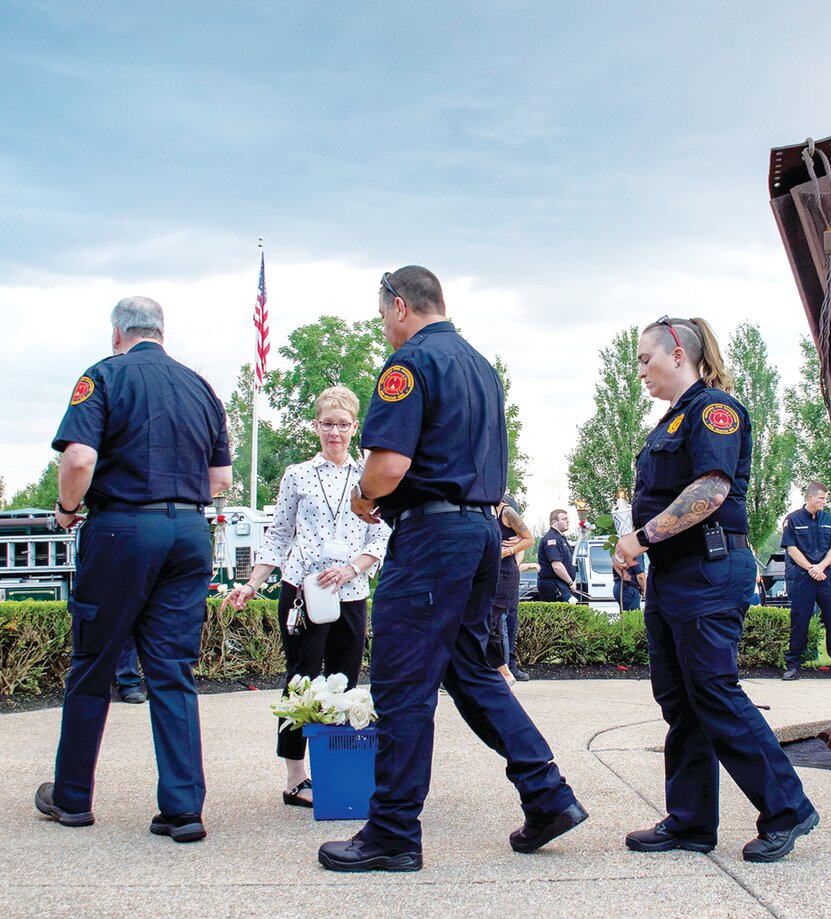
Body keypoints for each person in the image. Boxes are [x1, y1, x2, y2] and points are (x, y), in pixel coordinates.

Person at [320, 265, 586, 872]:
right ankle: (548, 796)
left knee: (403, 680)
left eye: (384, 314)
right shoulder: (482, 368)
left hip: (431, 536)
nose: (385, 326)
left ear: (399, 306)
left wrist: (363, 499)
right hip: (477, 533)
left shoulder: (408, 365)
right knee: (473, 670)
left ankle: (392, 833)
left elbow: (387, 467)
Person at [613, 315, 817, 863]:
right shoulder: (670, 421)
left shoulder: (715, 411)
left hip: (708, 569)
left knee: (715, 692)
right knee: (680, 702)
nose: (640, 371)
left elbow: (711, 488)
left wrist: (641, 537)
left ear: (677, 353)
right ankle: (690, 822)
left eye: (644, 359)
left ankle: (787, 808)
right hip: (676, 574)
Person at [35, 296, 231, 843]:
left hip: (122, 528)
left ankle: (72, 797)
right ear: (161, 332)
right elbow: (220, 479)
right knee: (172, 668)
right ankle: (183, 807)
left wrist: (68, 509)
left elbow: (78, 460)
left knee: (93, 662)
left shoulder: (102, 376)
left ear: (116, 333)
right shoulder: (202, 388)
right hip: (190, 531)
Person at [225, 385, 389, 808]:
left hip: (350, 590)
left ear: (355, 428)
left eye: (342, 425)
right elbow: (278, 534)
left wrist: (352, 567)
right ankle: (295, 777)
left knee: (344, 680)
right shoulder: (297, 474)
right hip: (303, 589)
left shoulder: (367, 478)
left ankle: (336, 769)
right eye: (327, 424)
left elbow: (381, 533)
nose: (334, 433)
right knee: (301, 681)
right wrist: (251, 583)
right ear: (316, 427)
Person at [780, 482, 831, 681]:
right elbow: (791, 548)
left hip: (825, 577)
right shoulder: (792, 519)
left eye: (825, 499)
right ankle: (793, 666)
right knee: (799, 622)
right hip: (803, 578)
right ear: (810, 497)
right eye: (821, 498)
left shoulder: (829, 520)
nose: (824, 502)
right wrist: (811, 568)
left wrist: (821, 567)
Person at [488, 493, 535, 684]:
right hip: (487, 574)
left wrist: (506, 551)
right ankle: (502, 672)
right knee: (493, 626)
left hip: (504, 574)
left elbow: (529, 539)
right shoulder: (484, 514)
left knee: (491, 623)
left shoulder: (507, 512)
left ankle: (504, 672)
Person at [535, 509, 579, 602]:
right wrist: (570, 582)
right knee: (561, 614)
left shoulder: (560, 538)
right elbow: (557, 566)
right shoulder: (552, 539)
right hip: (553, 584)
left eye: (568, 519)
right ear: (554, 522)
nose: (567, 521)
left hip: (561, 583)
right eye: (564, 519)